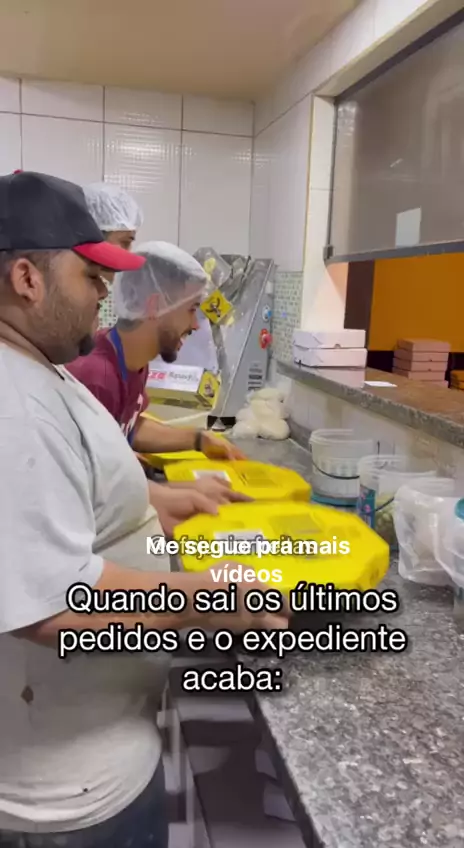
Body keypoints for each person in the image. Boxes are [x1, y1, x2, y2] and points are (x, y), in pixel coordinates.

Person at [0, 170, 288, 848]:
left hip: (93, 752)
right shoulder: (15, 405)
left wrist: (152, 503)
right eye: (91, 277)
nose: (105, 297)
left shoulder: (38, 368)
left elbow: (74, 492)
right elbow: (52, 607)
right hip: (67, 797)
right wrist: (209, 600)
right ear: (27, 278)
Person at [67, 237, 248, 535]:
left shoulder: (133, 360)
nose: (195, 325)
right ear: (155, 306)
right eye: (191, 310)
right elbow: (90, 489)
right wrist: (178, 491)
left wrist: (199, 440)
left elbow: (130, 426)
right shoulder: (96, 375)